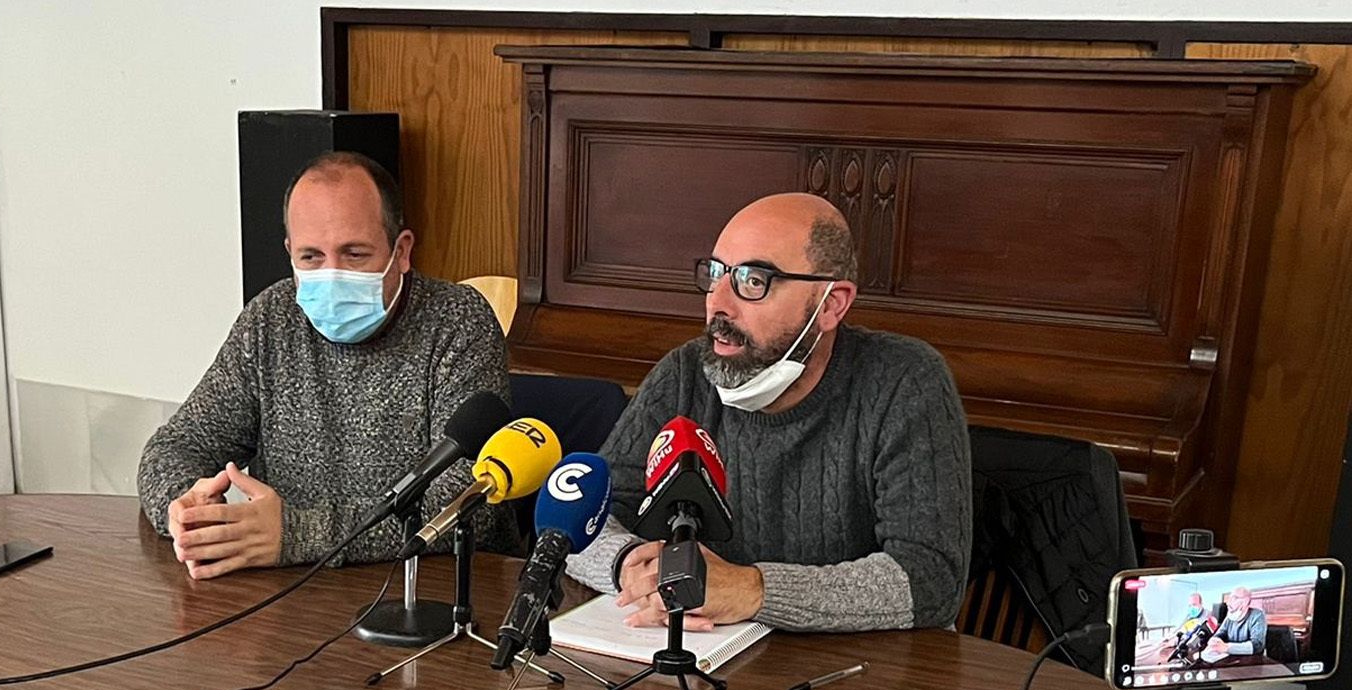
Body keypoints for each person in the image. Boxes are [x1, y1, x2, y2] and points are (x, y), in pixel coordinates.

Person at [565, 193, 971, 632]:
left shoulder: (904, 381)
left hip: (857, 665)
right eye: (716, 274)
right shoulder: (685, 374)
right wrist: (631, 567)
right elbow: (583, 518)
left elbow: (930, 579)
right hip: (708, 650)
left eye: (753, 281)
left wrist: (752, 590)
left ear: (831, 304)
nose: (718, 303)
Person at [137, 152, 510, 578]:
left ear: (402, 250)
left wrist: (298, 534)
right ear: (289, 253)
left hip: (437, 590)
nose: (332, 274)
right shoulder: (271, 319)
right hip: (295, 589)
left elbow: (474, 501)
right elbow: (175, 448)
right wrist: (186, 509)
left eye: (354, 254)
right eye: (311, 257)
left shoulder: (458, 321)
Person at [1204, 587, 1267, 659]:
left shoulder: (1257, 615)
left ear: (1245, 601)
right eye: (1229, 599)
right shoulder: (1230, 617)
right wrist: (1214, 641)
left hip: (1251, 661)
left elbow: (1257, 645)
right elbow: (1220, 633)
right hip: (1230, 659)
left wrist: (1226, 647)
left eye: (1234, 598)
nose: (1228, 603)